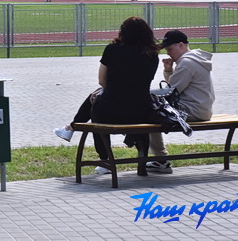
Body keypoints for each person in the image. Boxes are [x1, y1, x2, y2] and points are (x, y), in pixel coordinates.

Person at [53, 17, 159, 176]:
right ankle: (141, 162)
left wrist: (105, 89)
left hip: (111, 110)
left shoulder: (113, 49)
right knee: (99, 98)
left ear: (123, 32)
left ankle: (103, 158)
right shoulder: (152, 55)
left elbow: (102, 81)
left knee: (96, 104)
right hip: (141, 111)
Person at [146, 30, 215, 174]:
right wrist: (169, 71)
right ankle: (158, 158)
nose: (168, 53)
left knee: (149, 112)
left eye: (170, 49)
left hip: (191, 110)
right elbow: (175, 88)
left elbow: (170, 91)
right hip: (202, 109)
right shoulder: (197, 58)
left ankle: (161, 159)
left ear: (181, 45)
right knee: (151, 109)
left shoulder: (186, 63)